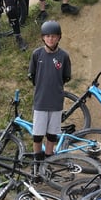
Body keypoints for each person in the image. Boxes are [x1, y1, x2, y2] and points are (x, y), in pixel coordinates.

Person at [27, 20, 72, 168]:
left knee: (52, 134)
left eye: (53, 36)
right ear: (42, 37)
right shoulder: (36, 54)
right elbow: (32, 76)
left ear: (59, 37)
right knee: (38, 135)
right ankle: (37, 162)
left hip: (56, 101)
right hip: (41, 100)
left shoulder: (64, 56)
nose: (50, 39)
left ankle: (48, 160)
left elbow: (66, 76)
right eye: (47, 36)